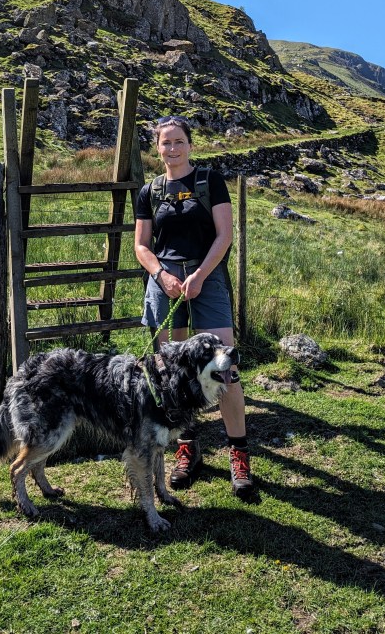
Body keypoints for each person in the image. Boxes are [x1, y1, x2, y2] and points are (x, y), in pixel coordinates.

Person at [134, 115, 253, 498]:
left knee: (226, 370)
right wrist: (161, 276)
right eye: (165, 142)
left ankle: (239, 456)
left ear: (190, 144)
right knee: (172, 373)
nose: (172, 148)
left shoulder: (209, 181)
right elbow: (141, 245)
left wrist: (200, 275)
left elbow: (224, 235)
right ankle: (187, 449)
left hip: (208, 278)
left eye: (178, 141)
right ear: (157, 147)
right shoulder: (149, 191)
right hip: (165, 282)